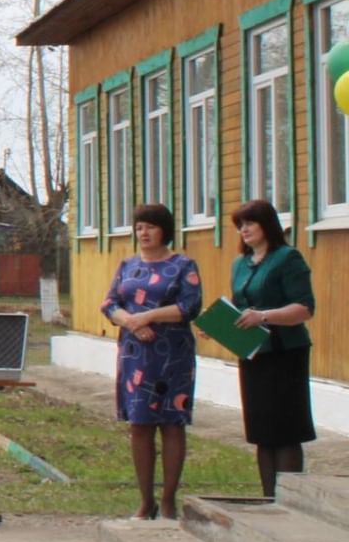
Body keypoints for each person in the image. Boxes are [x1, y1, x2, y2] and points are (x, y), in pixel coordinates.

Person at [100, 203, 203, 519]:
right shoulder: (127, 266)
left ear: (165, 231)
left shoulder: (183, 265)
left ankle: (169, 499)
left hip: (173, 355)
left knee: (172, 424)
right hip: (136, 356)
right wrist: (130, 322)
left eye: (151, 227)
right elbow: (109, 303)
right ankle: (146, 501)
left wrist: (148, 316)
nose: (143, 233)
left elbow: (190, 306)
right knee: (140, 424)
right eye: (139, 227)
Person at [227, 200, 317, 499]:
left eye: (250, 223)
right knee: (262, 432)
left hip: (285, 353)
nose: (244, 230)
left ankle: (290, 502)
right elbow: (239, 307)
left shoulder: (287, 258)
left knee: (286, 430)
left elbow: (304, 308)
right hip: (254, 355)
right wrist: (221, 325)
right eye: (240, 225)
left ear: (268, 225)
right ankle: (269, 499)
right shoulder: (240, 264)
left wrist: (263, 316)